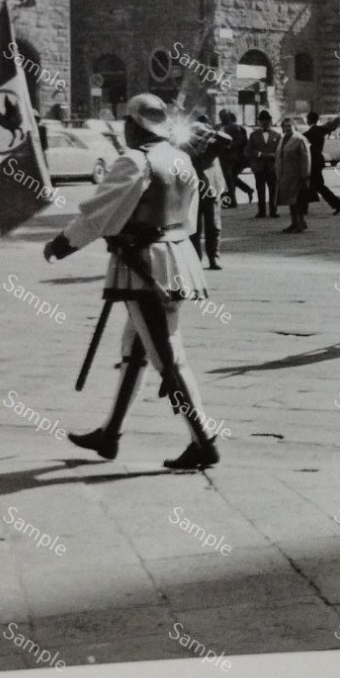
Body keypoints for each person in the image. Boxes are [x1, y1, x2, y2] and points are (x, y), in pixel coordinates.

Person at [43, 93, 222, 471]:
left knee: (167, 356)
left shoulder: (135, 161)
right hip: (175, 258)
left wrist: (63, 244)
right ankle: (111, 433)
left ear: (134, 125)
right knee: (136, 350)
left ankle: (203, 440)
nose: (123, 129)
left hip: (145, 266)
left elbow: (99, 212)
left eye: (127, 122)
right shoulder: (180, 158)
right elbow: (185, 216)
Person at [187, 115, 228, 270]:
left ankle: (214, 257)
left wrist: (212, 133)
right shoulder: (185, 145)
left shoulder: (213, 144)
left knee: (213, 227)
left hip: (211, 191)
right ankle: (196, 258)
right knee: (193, 228)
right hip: (192, 191)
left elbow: (227, 141)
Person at [302, 109, 340, 214]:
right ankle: (304, 207)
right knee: (315, 185)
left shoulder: (308, 134)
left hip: (311, 162)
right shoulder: (320, 130)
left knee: (312, 185)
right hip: (319, 160)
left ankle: (336, 203)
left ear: (308, 120)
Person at [275, 116, 311, 234]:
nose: (287, 128)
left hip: (297, 175)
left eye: (289, 126)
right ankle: (294, 222)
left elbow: (306, 158)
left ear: (294, 126)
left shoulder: (299, 139)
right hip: (286, 175)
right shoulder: (282, 138)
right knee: (290, 201)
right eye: (285, 126)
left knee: (298, 200)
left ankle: (301, 222)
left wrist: (305, 174)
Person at [245, 111, 281, 219]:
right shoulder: (253, 135)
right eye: (262, 121)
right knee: (260, 190)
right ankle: (261, 211)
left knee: (273, 190)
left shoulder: (277, 135)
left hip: (272, 166)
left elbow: (280, 151)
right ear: (260, 122)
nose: (265, 123)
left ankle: (273, 211)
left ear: (270, 121)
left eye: (267, 121)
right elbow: (248, 151)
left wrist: (272, 155)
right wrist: (259, 154)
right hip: (259, 167)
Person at [216, 109, 252, 207]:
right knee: (230, 179)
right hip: (221, 156)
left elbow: (241, 141)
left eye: (225, 116)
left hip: (231, 157)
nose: (223, 118)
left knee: (229, 178)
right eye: (221, 116)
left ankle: (232, 201)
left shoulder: (235, 128)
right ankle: (244, 191)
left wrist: (230, 145)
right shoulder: (218, 127)